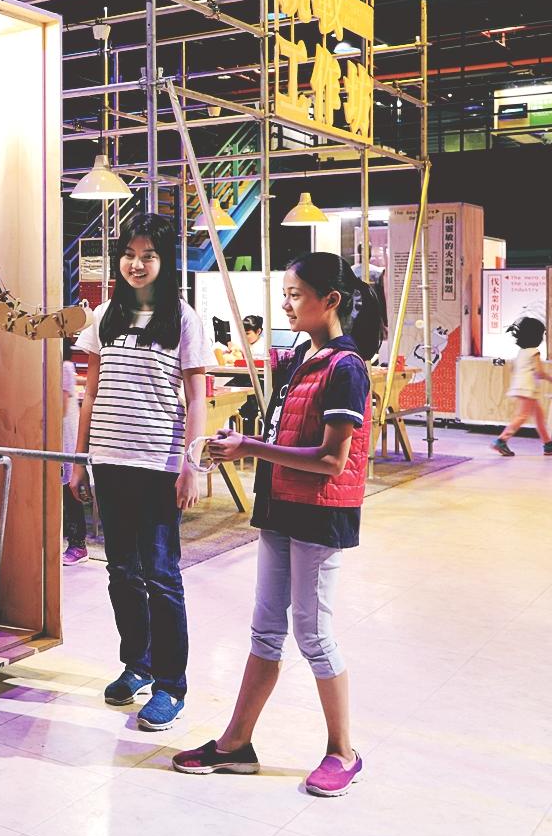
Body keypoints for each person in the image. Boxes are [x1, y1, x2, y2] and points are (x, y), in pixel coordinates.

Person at [170, 253, 380, 798]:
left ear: (330, 300)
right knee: (266, 629)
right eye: (285, 293)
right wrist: (230, 448)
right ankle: (235, 744)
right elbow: (283, 437)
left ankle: (344, 752)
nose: (285, 303)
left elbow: (332, 460)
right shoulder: (295, 359)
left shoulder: (346, 368)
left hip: (320, 511)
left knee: (313, 633)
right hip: (282, 505)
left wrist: (250, 447)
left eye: (295, 294)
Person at [68, 213, 212, 731]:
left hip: (158, 464)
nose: (136, 263)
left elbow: (197, 398)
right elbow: (90, 394)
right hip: (109, 462)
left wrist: (190, 465)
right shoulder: (103, 316)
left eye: (148, 255)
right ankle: (137, 665)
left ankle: (171, 685)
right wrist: (81, 459)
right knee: (121, 572)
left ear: (164, 262)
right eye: (129, 254)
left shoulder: (184, 318)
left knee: (162, 575)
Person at [492, 316, 552, 456]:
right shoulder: (534, 352)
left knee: (538, 416)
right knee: (522, 416)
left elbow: (515, 369)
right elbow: (539, 372)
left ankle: (548, 443)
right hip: (528, 389)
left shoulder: (522, 352)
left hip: (521, 387)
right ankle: (502, 439)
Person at [62, 346, 92, 563]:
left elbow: (60, 408)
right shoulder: (61, 367)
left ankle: (77, 544)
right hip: (58, 439)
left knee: (69, 493)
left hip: (64, 439)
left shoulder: (63, 366)